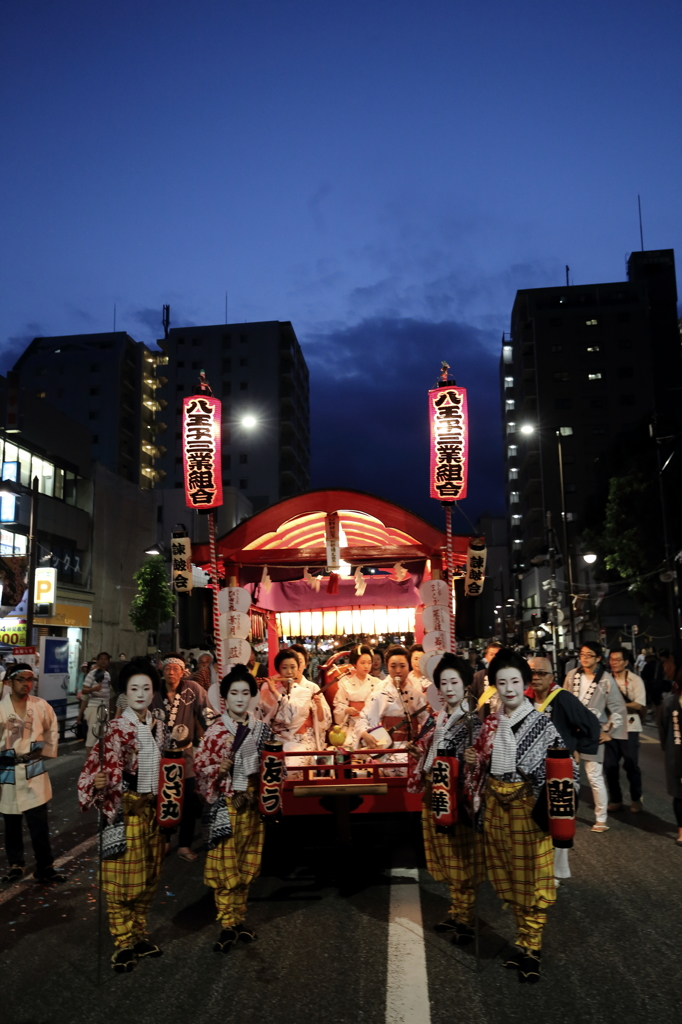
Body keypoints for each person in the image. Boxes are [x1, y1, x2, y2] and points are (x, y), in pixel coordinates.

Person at [464, 649, 578, 983]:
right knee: (508, 876)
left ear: (525, 683)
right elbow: (482, 766)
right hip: (496, 808)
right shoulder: (490, 723)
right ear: (494, 686)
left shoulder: (542, 724)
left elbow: (563, 771)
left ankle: (533, 949)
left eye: (515, 681)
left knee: (531, 878)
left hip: (527, 809)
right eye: (502, 682)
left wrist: (555, 813)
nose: (509, 688)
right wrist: (475, 760)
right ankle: (522, 939)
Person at [78, 658, 166, 973]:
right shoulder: (115, 728)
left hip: (153, 813)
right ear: (125, 694)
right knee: (120, 883)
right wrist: (100, 782)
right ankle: (123, 941)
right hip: (124, 813)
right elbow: (93, 773)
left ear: (154, 691)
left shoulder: (159, 725)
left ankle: (139, 933)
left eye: (146, 687)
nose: (141, 694)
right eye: (133, 688)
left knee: (150, 878)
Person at [195, 665, 272, 951]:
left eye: (245, 693)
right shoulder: (215, 731)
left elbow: (274, 766)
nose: (240, 698)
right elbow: (200, 766)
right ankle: (227, 923)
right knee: (226, 866)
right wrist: (219, 768)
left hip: (251, 803)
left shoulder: (262, 729)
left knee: (247, 862)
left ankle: (239, 918)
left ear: (253, 696)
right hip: (227, 805)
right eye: (233, 693)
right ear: (225, 697)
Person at [418, 653, 482, 943]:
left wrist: (473, 759)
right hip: (436, 789)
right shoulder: (438, 717)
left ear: (465, 685)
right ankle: (457, 910)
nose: (449, 688)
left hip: (456, 793)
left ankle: (466, 916)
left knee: (460, 856)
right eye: (444, 683)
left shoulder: (474, 722)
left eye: (454, 682)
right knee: (445, 854)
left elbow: (482, 760)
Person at [527, 655, 600, 884]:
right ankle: (535, 867)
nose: (536, 677)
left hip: (559, 771)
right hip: (529, 773)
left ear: (551, 677)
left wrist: (575, 747)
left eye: (542, 673)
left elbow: (590, 724)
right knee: (532, 820)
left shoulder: (563, 699)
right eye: (532, 672)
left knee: (558, 819)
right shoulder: (522, 700)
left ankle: (555, 872)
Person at [0, 663, 64, 884]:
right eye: (21, 679)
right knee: (11, 822)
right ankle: (16, 864)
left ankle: (45, 866)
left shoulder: (41, 706)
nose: (27, 684)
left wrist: (45, 752)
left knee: (39, 822)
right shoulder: (1, 708)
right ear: (9, 682)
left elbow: (51, 728)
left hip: (33, 768)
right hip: (7, 769)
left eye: (30, 680)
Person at [563, 642, 627, 833]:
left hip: (593, 731)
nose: (584, 658)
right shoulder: (572, 675)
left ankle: (601, 819)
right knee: (567, 775)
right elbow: (564, 699)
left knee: (594, 776)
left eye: (589, 655)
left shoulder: (606, 679)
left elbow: (618, 707)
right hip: (571, 730)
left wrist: (610, 733)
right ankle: (566, 815)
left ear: (599, 658)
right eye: (582, 654)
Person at [151, 653, 209, 861]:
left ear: (184, 671)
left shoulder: (193, 689)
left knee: (188, 799)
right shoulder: (153, 692)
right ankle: (164, 841)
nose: (171, 672)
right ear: (162, 671)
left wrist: (218, 732)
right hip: (159, 755)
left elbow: (207, 713)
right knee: (163, 798)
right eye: (167, 668)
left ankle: (184, 844)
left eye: (176, 668)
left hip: (185, 755)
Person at [258, 649, 331, 765]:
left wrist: (319, 706)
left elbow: (324, 722)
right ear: (278, 670)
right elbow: (262, 716)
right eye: (284, 667)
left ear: (300, 667)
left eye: (293, 667)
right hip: (278, 739)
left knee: (290, 765)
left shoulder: (309, 689)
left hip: (302, 738)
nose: (289, 671)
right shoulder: (270, 689)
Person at [359, 645, 431, 752]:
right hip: (387, 749)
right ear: (387, 667)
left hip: (413, 748)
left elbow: (427, 722)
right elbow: (364, 718)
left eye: (402, 666)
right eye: (393, 666)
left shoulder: (416, 694)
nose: (398, 670)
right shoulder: (381, 693)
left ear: (408, 667)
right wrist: (364, 733)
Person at [605, 647, 646, 813]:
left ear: (626, 662)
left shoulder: (635, 680)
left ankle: (636, 798)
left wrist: (617, 705)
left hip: (630, 727)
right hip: (611, 727)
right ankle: (616, 799)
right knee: (610, 766)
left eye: (618, 660)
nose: (614, 663)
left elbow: (638, 704)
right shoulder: (606, 680)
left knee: (631, 764)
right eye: (612, 659)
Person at [332, 645, 382, 749]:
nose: (366, 666)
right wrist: (346, 709)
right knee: (349, 745)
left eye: (369, 663)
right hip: (353, 723)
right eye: (362, 663)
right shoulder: (346, 683)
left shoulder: (377, 683)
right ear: (355, 664)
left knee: (379, 745)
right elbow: (339, 706)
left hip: (371, 723)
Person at [658, 688, 682, 846]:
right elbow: (663, 728)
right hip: (678, 753)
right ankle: (681, 831)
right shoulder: (670, 703)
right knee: (680, 794)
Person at [81, 652, 112, 753]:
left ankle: (99, 763)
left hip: (105, 707)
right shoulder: (92, 674)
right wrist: (94, 688)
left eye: (105, 659)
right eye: (101, 659)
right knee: (92, 736)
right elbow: (84, 690)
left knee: (103, 737)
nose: (103, 661)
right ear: (97, 661)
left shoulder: (107, 674)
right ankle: (89, 764)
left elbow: (109, 693)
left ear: (108, 661)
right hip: (94, 707)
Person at [471, 641, 502, 715]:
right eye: (491, 654)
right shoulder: (477, 676)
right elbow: (471, 700)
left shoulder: (509, 677)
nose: (495, 657)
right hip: (483, 720)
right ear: (486, 657)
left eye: (497, 655)